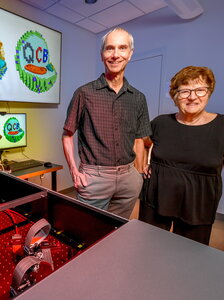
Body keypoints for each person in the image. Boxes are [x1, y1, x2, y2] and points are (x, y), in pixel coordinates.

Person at [139, 65, 224, 245]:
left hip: (199, 204)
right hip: (156, 197)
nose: (192, 97)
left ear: (209, 92)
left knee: (188, 256)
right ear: (175, 96)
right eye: (184, 91)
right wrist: (142, 163)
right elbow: (142, 142)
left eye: (200, 90)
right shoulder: (161, 123)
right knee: (148, 246)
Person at [62, 27, 151, 219]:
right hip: (95, 177)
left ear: (130, 54)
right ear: (102, 54)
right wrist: (74, 171)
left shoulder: (138, 98)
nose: (116, 54)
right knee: (88, 230)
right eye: (110, 48)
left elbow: (139, 139)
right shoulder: (84, 93)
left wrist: (138, 175)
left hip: (129, 178)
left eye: (122, 48)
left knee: (117, 230)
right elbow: (67, 134)